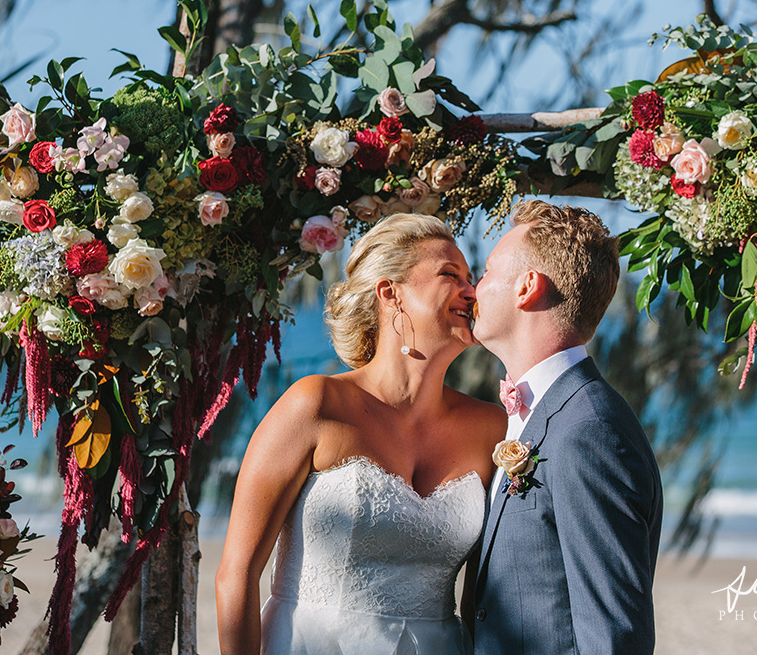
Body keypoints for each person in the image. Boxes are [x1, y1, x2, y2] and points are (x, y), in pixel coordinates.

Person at [215, 213, 507, 655]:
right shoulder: (316, 405)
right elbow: (236, 575)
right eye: (451, 275)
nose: (472, 291)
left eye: (472, 278)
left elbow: (482, 598)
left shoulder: (491, 427)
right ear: (390, 293)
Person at [471, 200, 664, 654]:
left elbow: (613, 635)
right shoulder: (544, 412)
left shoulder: (589, 431)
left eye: (487, 270)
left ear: (526, 287)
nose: (473, 287)